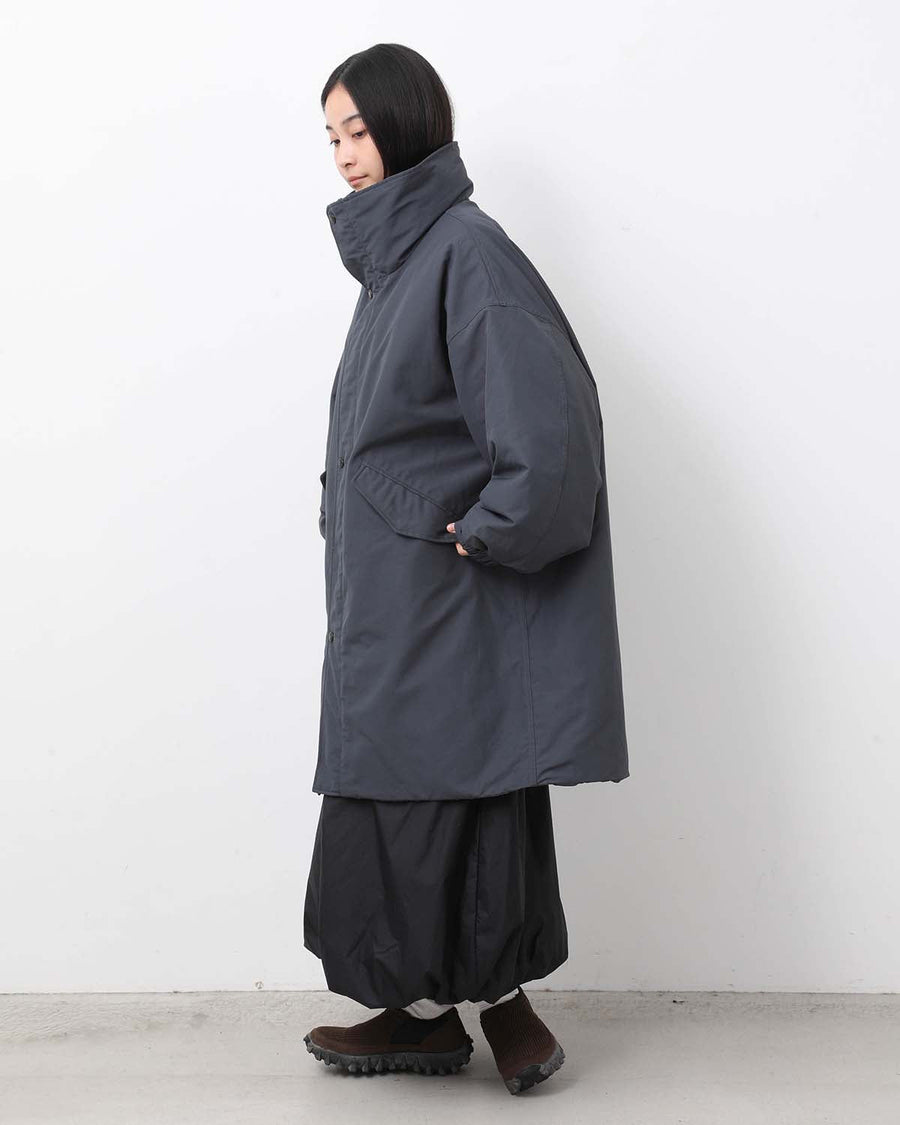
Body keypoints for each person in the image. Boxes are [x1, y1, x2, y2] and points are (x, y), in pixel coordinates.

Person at [303, 43, 629, 1096]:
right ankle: (428, 1019)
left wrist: (483, 532)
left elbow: (551, 435)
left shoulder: (466, 251)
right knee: (396, 804)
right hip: (390, 603)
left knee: (459, 799)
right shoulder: (398, 264)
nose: (344, 154)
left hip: (443, 603)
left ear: (406, 122)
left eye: (358, 130)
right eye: (332, 137)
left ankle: (505, 1011)